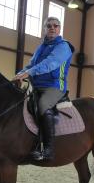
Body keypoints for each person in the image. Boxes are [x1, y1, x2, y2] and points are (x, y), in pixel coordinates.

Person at [15, 16, 74, 161]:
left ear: (59, 29)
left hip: (54, 86)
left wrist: (30, 72)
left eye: (55, 25)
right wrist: (20, 74)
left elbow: (51, 63)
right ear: (45, 29)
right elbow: (31, 65)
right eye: (49, 26)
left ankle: (48, 149)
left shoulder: (63, 46)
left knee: (42, 105)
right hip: (37, 86)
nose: (52, 28)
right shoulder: (41, 47)